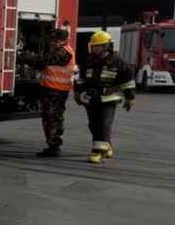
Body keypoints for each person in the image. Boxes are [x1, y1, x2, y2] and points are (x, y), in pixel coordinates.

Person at [73, 30, 136, 163]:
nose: (94, 49)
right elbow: (82, 78)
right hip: (91, 99)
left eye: (98, 46)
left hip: (108, 99)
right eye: (93, 46)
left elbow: (127, 80)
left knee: (103, 124)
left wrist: (130, 98)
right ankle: (106, 145)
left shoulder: (117, 61)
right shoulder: (90, 60)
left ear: (106, 46)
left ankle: (99, 153)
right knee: (93, 125)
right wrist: (77, 93)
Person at [35, 28, 75, 157]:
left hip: (56, 92)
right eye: (51, 41)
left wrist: (19, 58)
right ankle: (53, 144)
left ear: (63, 41)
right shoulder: (60, 51)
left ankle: (54, 146)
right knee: (52, 118)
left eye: (55, 41)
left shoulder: (63, 52)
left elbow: (42, 61)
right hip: (53, 90)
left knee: (52, 119)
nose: (52, 43)